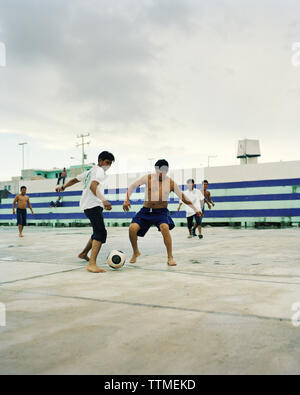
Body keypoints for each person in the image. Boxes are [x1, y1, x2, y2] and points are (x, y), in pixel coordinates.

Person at [123, 159, 203, 266]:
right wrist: (126, 199)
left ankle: (170, 257)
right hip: (146, 211)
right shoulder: (148, 178)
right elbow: (132, 186)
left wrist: (195, 209)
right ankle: (135, 252)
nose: (160, 174)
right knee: (132, 228)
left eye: (163, 172)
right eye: (158, 172)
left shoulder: (170, 183)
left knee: (165, 228)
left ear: (167, 171)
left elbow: (183, 197)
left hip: (161, 212)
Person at [56, 151, 114, 273]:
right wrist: (104, 201)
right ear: (100, 160)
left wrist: (63, 187)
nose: (108, 166)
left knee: (96, 231)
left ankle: (83, 253)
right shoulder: (99, 171)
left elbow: (75, 180)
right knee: (100, 232)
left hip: (87, 205)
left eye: (110, 164)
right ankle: (92, 264)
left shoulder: (90, 171)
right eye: (107, 163)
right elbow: (93, 187)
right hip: (93, 204)